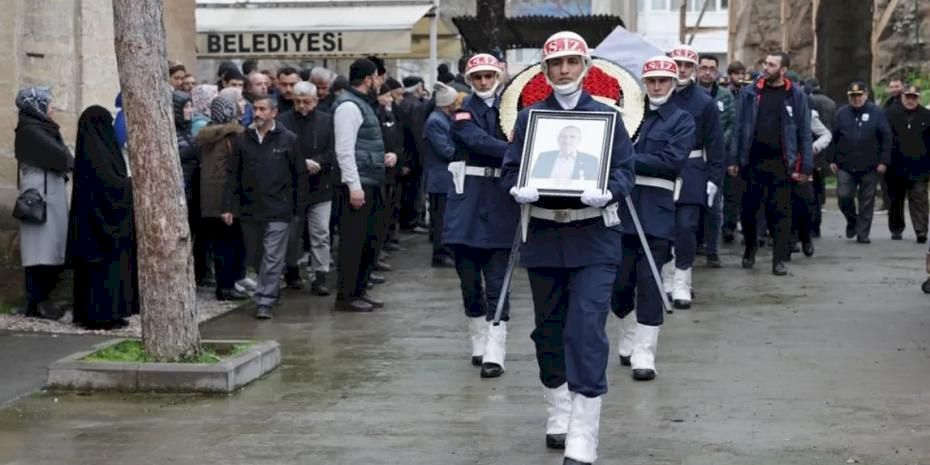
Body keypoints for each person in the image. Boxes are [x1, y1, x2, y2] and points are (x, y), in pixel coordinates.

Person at [501, 31, 635, 465]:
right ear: (545, 70)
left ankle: (584, 431)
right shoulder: (529, 119)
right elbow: (508, 171)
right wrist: (518, 188)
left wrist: (609, 192)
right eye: (556, 64)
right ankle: (558, 407)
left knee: (586, 330)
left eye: (572, 63)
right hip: (544, 237)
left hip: (594, 236)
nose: (564, 71)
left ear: (586, 68)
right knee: (549, 332)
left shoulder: (608, 119)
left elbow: (625, 173)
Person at [612, 56, 694, 381]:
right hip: (620, 210)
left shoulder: (682, 120)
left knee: (649, 282)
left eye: (663, 81)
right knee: (619, 284)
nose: (657, 86)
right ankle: (628, 330)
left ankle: (645, 351)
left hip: (655, 214)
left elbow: (671, 161)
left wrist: (627, 158)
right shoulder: (628, 115)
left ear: (673, 84)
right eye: (651, 81)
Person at [444, 53, 520, 378]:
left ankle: (495, 347)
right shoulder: (464, 112)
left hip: (501, 200)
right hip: (469, 202)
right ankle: (478, 338)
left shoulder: (513, 109)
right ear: (469, 80)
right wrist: (517, 149)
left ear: (499, 76)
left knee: (499, 280)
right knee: (469, 278)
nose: (484, 82)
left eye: (489, 76)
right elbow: (475, 140)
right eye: (478, 78)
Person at [730, 52, 812, 275]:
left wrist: (804, 167)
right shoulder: (751, 92)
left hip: (782, 164)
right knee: (748, 213)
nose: (766, 67)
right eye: (765, 63)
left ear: (783, 70)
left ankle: (778, 259)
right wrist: (734, 159)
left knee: (781, 213)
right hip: (752, 162)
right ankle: (750, 248)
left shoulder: (795, 95)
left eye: (772, 64)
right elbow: (739, 127)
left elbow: (804, 132)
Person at [222, 96, 303, 320]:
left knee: (273, 256)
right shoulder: (242, 140)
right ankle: (271, 287)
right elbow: (232, 175)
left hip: (279, 207)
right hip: (250, 208)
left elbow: (298, 175)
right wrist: (228, 205)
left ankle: (264, 301)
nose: (257, 113)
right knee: (256, 256)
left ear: (273, 113)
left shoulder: (288, 139)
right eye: (254, 109)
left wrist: (297, 208)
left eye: (262, 109)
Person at [68, 106, 139, 329]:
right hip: (101, 227)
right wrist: (131, 183)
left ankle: (106, 313)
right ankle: (102, 316)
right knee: (104, 270)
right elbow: (110, 186)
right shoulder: (97, 154)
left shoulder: (91, 151)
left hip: (92, 227)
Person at [665, 44, 724, 309]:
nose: (682, 70)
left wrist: (714, 178)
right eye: (678, 64)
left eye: (688, 65)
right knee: (662, 228)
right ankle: (665, 279)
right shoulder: (657, 95)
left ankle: (682, 281)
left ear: (695, 68)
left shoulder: (704, 102)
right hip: (662, 170)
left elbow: (716, 143)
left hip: (693, 170)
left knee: (686, 228)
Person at [332, 58, 388, 312]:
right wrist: (354, 186)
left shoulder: (362, 104)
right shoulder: (349, 107)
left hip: (370, 179)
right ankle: (347, 296)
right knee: (354, 243)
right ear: (368, 79)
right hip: (358, 185)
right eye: (377, 77)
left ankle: (360, 291)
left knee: (369, 240)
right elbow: (345, 150)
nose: (379, 82)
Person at [13, 87, 73, 319]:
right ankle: (36, 302)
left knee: (48, 250)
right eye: (48, 103)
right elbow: (61, 157)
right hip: (40, 197)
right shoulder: (31, 130)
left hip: (48, 194)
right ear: (36, 105)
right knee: (38, 252)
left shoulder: (39, 127)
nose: (53, 107)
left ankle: (39, 302)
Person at [278, 81, 337, 296]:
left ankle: (320, 275)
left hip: (320, 185)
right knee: (292, 234)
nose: (302, 106)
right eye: (297, 101)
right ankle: (292, 270)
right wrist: (302, 163)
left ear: (316, 101)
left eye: (306, 102)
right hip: (292, 187)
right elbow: (280, 150)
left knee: (320, 232)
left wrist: (319, 162)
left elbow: (333, 150)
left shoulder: (326, 121)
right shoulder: (283, 121)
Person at [195, 96, 249, 301]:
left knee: (219, 245)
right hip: (227, 200)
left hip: (208, 201)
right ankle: (227, 286)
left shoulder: (205, 137)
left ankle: (225, 285)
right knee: (230, 244)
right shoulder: (232, 137)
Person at [829, 81, 892, 244]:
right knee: (843, 195)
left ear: (866, 95)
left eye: (859, 95)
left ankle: (863, 233)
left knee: (867, 200)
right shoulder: (841, 113)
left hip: (870, 164)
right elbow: (833, 137)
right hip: (845, 163)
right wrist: (832, 159)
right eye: (853, 96)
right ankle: (852, 220)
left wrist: (884, 161)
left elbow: (886, 137)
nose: (856, 99)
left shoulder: (877, 112)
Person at [696, 54, 735, 267]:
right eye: (703, 68)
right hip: (692, 157)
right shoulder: (689, 95)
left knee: (714, 206)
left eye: (712, 68)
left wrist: (717, 143)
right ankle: (694, 245)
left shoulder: (725, 96)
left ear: (717, 71)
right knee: (692, 205)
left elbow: (731, 123)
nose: (707, 72)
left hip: (715, 158)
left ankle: (712, 250)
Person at [886, 85, 930, 242]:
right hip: (895, 166)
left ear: (918, 98)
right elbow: (885, 139)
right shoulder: (891, 113)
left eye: (914, 97)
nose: (911, 100)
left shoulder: (926, 115)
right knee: (896, 199)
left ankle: (921, 230)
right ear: (902, 97)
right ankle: (896, 228)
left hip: (920, 167)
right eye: (908, 97)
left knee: (919, 199)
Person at [423, 82, 459, 268]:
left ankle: (445, 252)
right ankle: (440, 254)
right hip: (440, 180)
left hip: (445, 178)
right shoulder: (435, 121)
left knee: (445, 218)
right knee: (440, 220)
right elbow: (445, 150)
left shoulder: (442, 118)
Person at [790, 109, 832, 259]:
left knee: (805, 203)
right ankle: (789, 240)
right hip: (781, 161)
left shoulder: (806, 112)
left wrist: (814, 148)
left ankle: (806, 237)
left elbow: (826, 134)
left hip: (802, 162)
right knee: (783, 204)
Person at [375, 80, 406, 265]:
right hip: (380, 171)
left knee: (390, 208)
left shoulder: (391, 115)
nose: (389, 99)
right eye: (386, 96)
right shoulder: (376, 115)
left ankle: (385, 242)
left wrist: (396, 154)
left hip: (391, 169)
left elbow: (398, 137)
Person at [804, 78, 837, 237]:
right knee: (818, 191)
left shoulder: (806, 101)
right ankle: (816, 227)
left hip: (806, 153)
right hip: (820, 153)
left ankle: (808, 227)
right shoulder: (830, 103)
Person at [529, 126, 600, 181]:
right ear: (558, 139)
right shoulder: (544, 157)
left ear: (579, 140)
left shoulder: (591, 160)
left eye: (572, 137)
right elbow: (534, 180)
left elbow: (591, 185)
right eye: (563, 137)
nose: (567, 141)